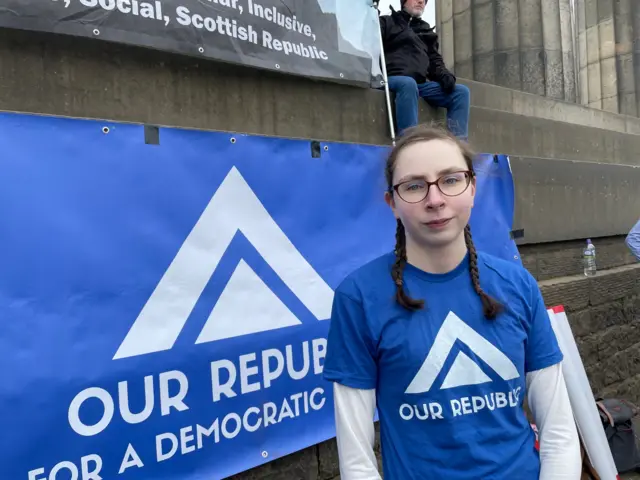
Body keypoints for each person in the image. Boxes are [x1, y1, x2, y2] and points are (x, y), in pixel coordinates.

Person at [323, 125, 581, 479]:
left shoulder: (518, 285)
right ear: (392, 203)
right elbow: (356, 458)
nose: (435, 199)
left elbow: (558, 429)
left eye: (450, 179)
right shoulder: (358, 298)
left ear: (472, 188)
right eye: (414, 186)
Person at [379, 0, 470, 140]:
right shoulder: (388, 22)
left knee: (461, 92)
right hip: (391, 78)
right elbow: (369, 41)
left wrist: (444, 75)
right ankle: (409, 143)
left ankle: (458, 147)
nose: (421, 1)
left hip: (419, 84)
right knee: (408, 84)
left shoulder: (425, 31)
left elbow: (434, 60)